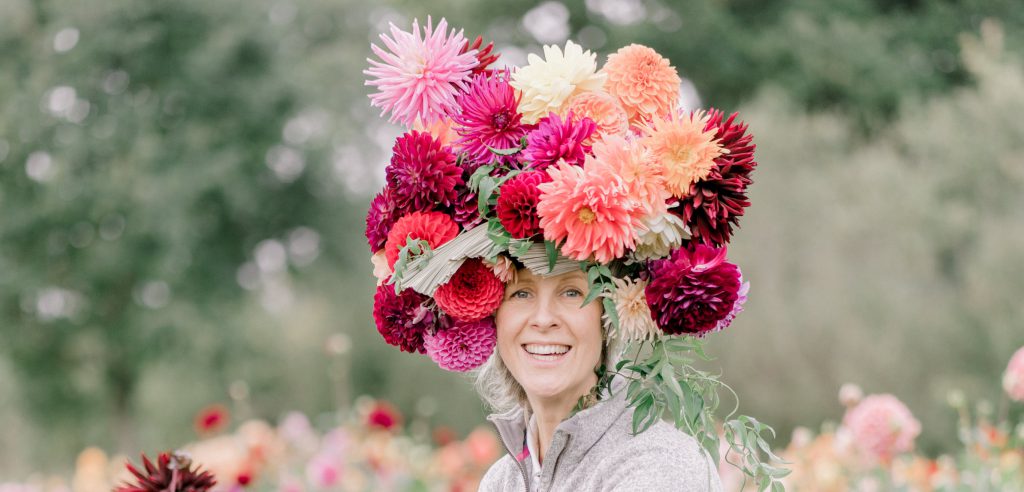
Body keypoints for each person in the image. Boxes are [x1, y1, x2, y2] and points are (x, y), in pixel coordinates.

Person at [475, 267, 724, 492]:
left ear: (610, 318)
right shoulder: (501, 481)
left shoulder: (658, 466)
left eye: (571, 292)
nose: (543, 319)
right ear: (493, 318)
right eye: (521, 293)